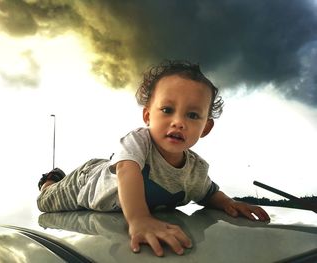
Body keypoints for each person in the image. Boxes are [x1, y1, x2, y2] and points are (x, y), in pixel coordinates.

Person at [37, 60, 270, 257]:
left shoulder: (195, 170)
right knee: (45, 202)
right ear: (148, 115)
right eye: (167, 110)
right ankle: (50, 179)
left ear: (206, 127)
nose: (178, 121)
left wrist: (229, 203)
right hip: (86, 183)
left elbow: (208, 193)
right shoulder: (139, 141)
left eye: (192, 115)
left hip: (109, 171)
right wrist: (139, 219)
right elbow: (127, 170)